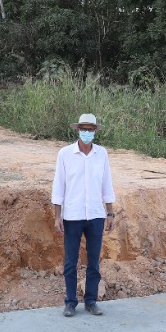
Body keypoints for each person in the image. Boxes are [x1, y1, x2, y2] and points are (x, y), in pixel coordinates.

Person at [51, 113, 116, 317]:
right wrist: (57, 216)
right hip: (73, 215)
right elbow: (58, 186)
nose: (87, 133)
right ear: (78, 130)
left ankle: (91, 301)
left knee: (94, 262)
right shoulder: (65, 154)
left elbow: (107, 183)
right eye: (83, 129)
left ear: (95, 131)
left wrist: (110, 212)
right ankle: (71, 302)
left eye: (90, 129)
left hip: (96, 215)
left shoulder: (101, 154)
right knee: (71, 262)